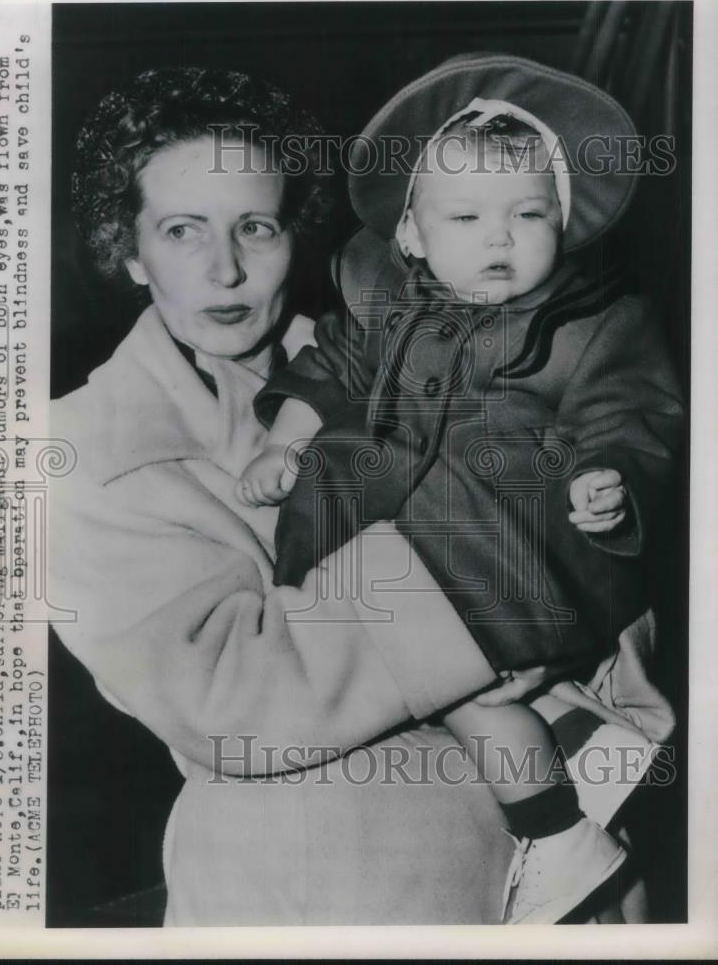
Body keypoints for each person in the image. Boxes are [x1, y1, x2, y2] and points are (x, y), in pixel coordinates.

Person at [49, 64, 578, 927]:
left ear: (295, 236)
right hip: (311, 880)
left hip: (543, 848)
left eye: (254, 227)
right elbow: (228, 696)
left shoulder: (407, 364)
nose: (224, 270)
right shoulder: (84, 445)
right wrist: (498, 583)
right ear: (130, 252)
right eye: (182, 231)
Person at [237, 55, 683, 923]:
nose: (499, 239)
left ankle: (557, 834)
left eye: (529, 213)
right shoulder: (383, 299)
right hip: (399, 532)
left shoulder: (596, 318)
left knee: (465, 689)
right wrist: (287, 443)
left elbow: (635, 412)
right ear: (412, 236)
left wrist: (611, 478)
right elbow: (331, 365)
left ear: (567, 220)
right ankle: (574, 768)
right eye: (467, 216)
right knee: (445, 689)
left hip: (517, 535)